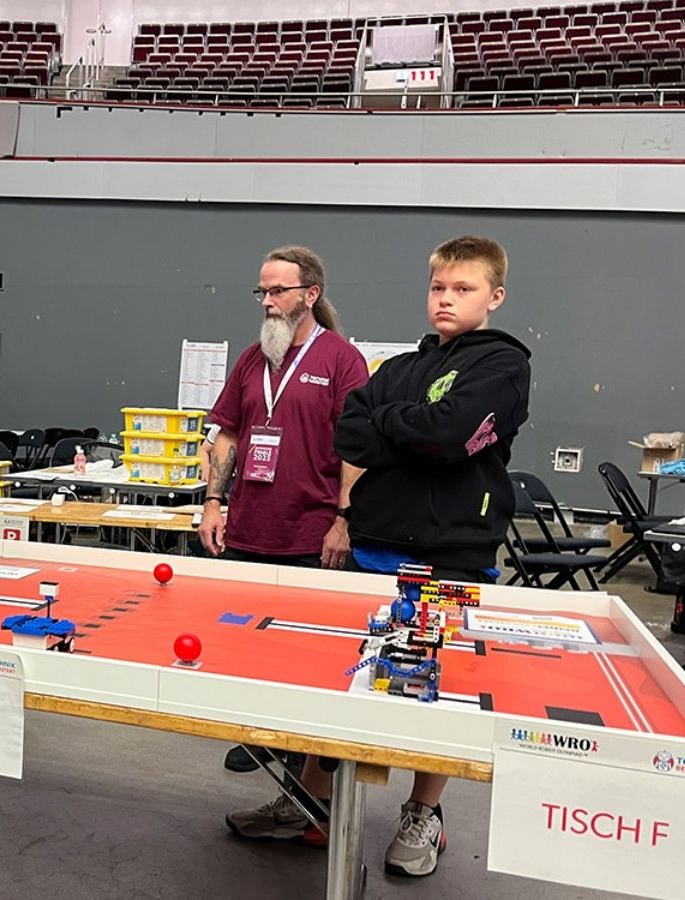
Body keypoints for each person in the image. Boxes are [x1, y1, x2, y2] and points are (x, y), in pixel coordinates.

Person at [227, 236, 531, 880]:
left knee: (432, 688)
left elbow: (451, 436)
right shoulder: (396, 367)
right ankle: (312, 804)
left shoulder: (503, 366)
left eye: (463, 289)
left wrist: (403, 427)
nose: (446, 300)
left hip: (452, 554)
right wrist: (412, 423)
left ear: (494, 297)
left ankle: (423, 813)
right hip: (374, 548)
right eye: (438, 288)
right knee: (346, 678)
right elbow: (352, 432)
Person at [198, 245, 368, 773]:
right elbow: (227, 435)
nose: (267, 302)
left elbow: (356, 450)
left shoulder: (342, 359)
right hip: (248, 529)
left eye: (278, 291)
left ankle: (298, 747)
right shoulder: (252, 360)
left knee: (304, 652)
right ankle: (259, 729)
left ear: (310, 294)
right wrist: (212, 502)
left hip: (309, 532)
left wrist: (345, 519)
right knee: (245, 644)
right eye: (262, 292)